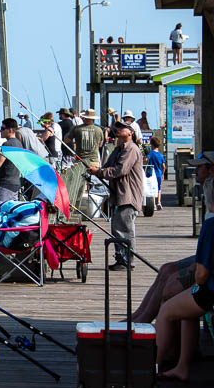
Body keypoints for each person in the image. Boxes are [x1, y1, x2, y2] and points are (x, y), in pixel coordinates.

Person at [132, 152, 214, 323]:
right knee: (166, 269)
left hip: (206, 264)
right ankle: (137, 318)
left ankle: (147, 326)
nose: (195, 170)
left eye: (200, 166)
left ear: (211, 169)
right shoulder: (206, 188)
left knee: (171, 289)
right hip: (203, 258)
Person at [156, 173, 214, 381]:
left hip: (211, 291)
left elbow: (201, 275)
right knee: (187, 312)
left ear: (209, 202)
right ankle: (182, 367)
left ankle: (153, 364)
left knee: (166, 310)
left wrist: (196, 283)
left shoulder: (210, 226)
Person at [88, 121, 143, 270]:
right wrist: (96, 170)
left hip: (128, 196)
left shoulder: (131, 148)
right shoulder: (119, 148)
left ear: (130, 132)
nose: (118, 130)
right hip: (119, 196)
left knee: (125, 230)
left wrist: (99, 172)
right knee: (117, 228)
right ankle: (121, 258)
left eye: (122, 128)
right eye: (117, 128)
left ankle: (127, 261)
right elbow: (108, 166)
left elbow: (120, 170)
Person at [146, 137, 166, 209]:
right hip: (159, 173)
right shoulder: (160, 155)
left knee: (152, 188)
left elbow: (146, 159)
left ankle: (153, 204)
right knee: (159, 189)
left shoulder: (151, 154)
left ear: (152, 145)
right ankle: (159, 202)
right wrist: (163, 174)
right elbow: (163, 166)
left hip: (152, 174)